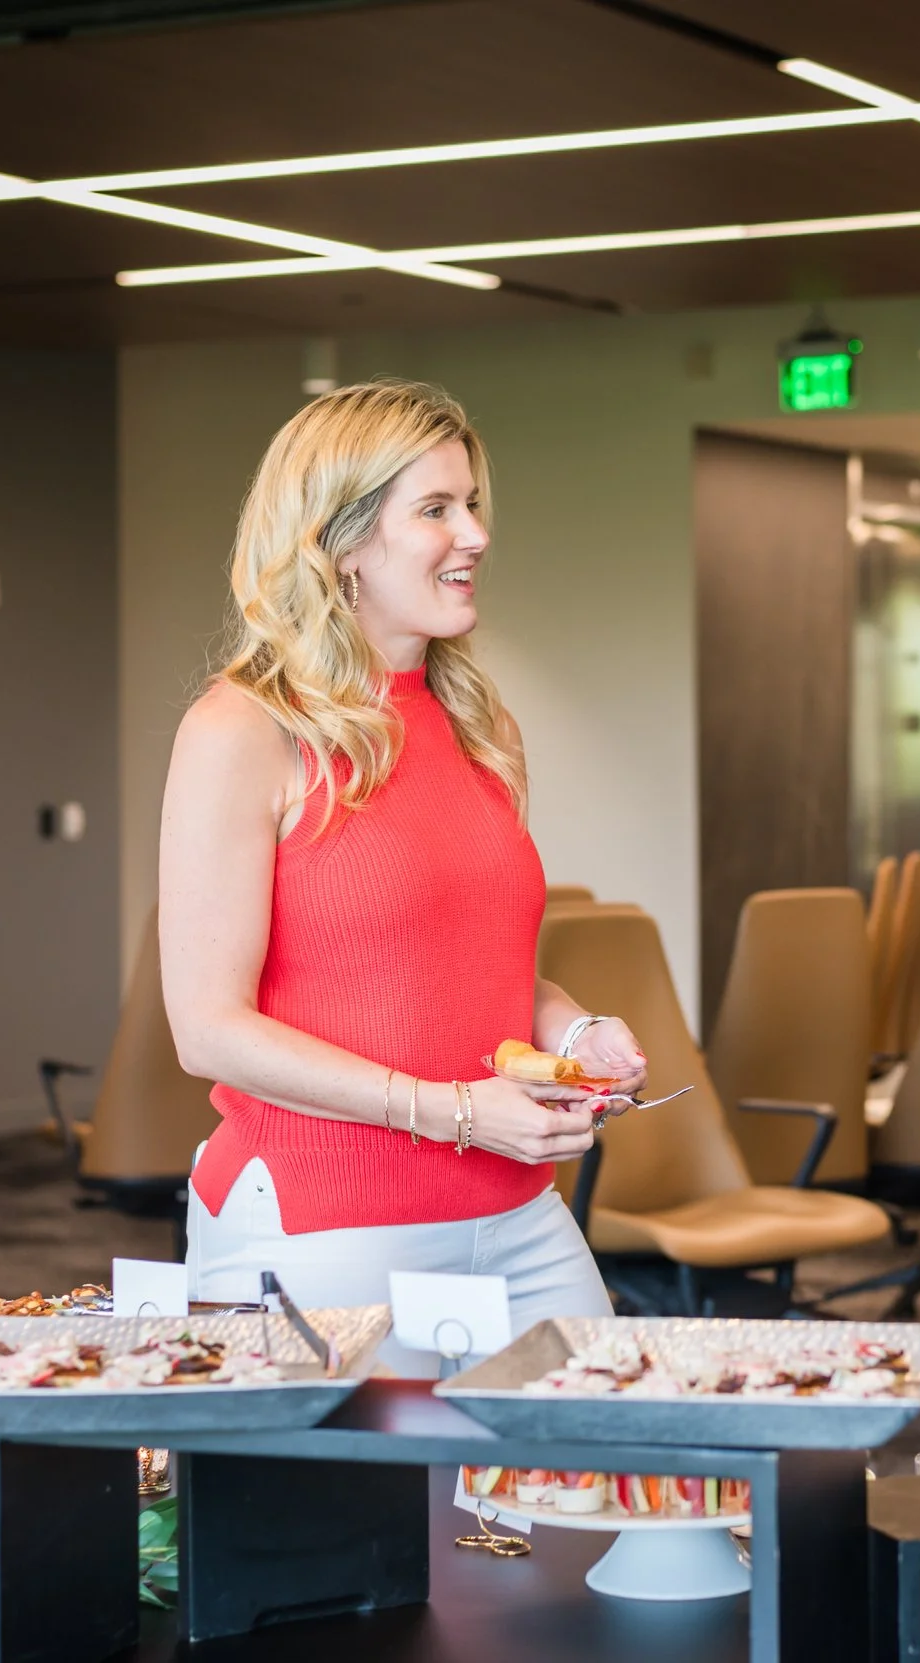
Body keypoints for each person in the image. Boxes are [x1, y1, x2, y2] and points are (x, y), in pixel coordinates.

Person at [160, 379, 642, 1373]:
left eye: (472, 504)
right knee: (363, 1533)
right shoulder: (240, 731)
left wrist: (570, 1031)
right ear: (339, 543)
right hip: (320, 1229)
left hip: (514, 1215)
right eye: (435, 509)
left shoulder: (479, 724)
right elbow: (207, 1028)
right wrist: (453, 1110)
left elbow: (472, 969)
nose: (473, 533)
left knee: (633, 1515)